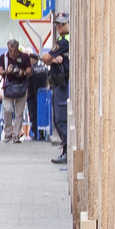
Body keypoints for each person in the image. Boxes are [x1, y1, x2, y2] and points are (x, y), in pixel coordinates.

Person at [46, 14, 71, 163]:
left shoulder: (64, 41)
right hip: (60, 83)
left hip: (63, 84)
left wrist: (52, 59)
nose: (59, 27)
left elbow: (46, 58)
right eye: (57, 24)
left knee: (60, 119)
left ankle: (67, 151)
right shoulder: (64, 40)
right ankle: (66, 150)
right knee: (59, 119)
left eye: (62, 24)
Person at [0, 41, 34, 142]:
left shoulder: (24, 57)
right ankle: (8, 133)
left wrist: (22, 72)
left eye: (14, 49)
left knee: (19, 113)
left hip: (21, 87)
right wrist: (7, 71)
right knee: (7, 109)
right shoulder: (3, 57)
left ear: (18, 48)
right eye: (10, 49)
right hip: (8, 87)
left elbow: (30, 70)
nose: (12, 52)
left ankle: (16, 135)